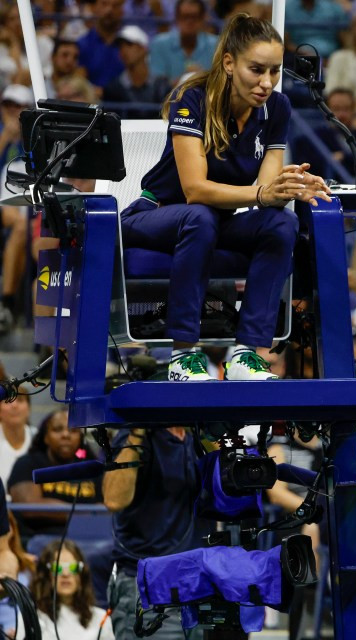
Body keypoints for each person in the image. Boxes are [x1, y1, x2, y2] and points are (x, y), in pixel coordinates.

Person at [122, 14, 329, 382]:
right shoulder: (193, 99)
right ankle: (183, 354)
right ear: (230, 63)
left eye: (275, 71)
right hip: (157, 215)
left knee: (283, 222)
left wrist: (291, 187)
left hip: (217, 220)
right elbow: (195, 190)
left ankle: (247, 353)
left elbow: (266, 193)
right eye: (256, 70)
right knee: (199, 215)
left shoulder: (277, 108)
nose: (267, 82)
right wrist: (265, 193)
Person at [104, 426, 218, 640]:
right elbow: (113, 498)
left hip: (202, 587)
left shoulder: (199, 437)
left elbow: (231, 491)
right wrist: (137, 431)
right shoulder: (134, 437)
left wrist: (210, 431)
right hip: (150, 589)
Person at [28, 539, 115, 640]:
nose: (65, 574)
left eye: (73, 568)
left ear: (81, 574)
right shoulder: (34, 616)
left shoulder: (100, 617)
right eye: (57, 568)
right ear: (47, 574)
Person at [8, 412, 102, 542]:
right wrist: (85, 514)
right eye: (57, 429)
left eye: (73, 430)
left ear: (80, 438)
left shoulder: (92, 467)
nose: (66, 435)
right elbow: (30, 508)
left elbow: (108, 508)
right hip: (40, 539)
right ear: (45, 437)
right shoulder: (28, 463)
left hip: (90, 539)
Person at [102, 25, 172, 114]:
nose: (123, 50)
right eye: (120, 47)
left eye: (129, 45)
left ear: (143, 49)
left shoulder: (162, 86)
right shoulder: (113, 89)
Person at [149, 0, 219, 85]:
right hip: (169, 97)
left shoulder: (217, 45)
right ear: (177, 18)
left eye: (194, 17)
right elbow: (156, 87)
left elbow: (221, 84)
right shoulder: (159, 44)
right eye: (185, 16)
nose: (189, 21)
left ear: (202, 19)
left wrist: (202, 78)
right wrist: (185, 79)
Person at [77, 0, 125, 89]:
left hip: (125, 100)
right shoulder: (82, 44)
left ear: (122, 10)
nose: (109, 10)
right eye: (104, 4)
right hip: (92, 100)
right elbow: (80, 81)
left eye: (115, 5)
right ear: (93, 8)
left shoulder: (129, 44)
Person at [0, 389, 31, 489]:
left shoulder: (41, 440)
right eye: (8, 400)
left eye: (20, 400)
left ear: (29, 408)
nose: (14, 405)